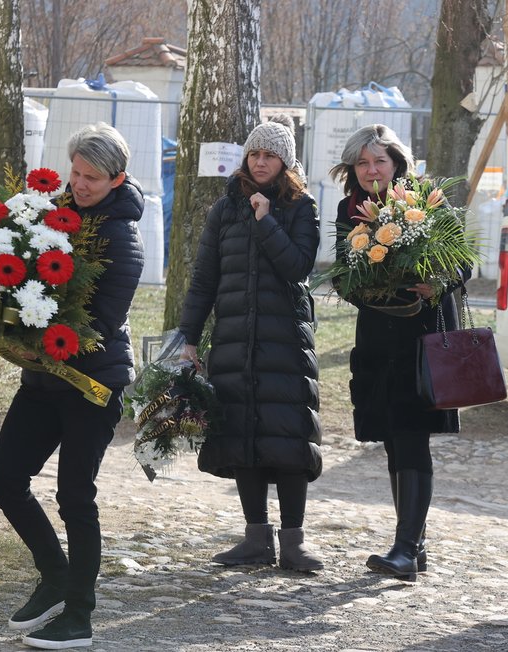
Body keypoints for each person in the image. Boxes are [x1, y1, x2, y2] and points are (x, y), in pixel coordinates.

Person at [0, 123, 145, 650]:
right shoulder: (48, 216)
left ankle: (79, 615)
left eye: (92, 178)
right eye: (75, 172)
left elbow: (99, 321)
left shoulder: (123, 238)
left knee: (75, 496)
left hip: (91, 382)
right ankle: (54, 575)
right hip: (42, 378)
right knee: (5, 477)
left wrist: (43, 340)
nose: (78, 183)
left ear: (117, 178)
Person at [179, 114, 323, 573]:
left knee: (289, 437)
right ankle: (254, 538)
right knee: (242, 434)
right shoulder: (225, 209)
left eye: (270, 155)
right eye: (254, 154)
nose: (260, 162)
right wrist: (188, 337)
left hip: (285, 341)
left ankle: (294, 542)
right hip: (235, 339)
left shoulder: (302, 207)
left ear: (285, 162)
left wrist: (266, 221)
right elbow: (204, 279)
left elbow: (298, 267)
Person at [329, 124, 469, 581]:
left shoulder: (427, 201)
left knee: (410, 435)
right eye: (363, 163)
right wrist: (367, 286)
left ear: (397, 164)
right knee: (393, 436)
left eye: (380, 161)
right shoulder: (348, 210)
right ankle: (414, 544)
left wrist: (438, 279)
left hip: (422, 338)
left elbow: (463, 262)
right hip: (377, 340)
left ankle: (406, 547)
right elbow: (341, 276)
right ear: (353, 169)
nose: (372, 170)